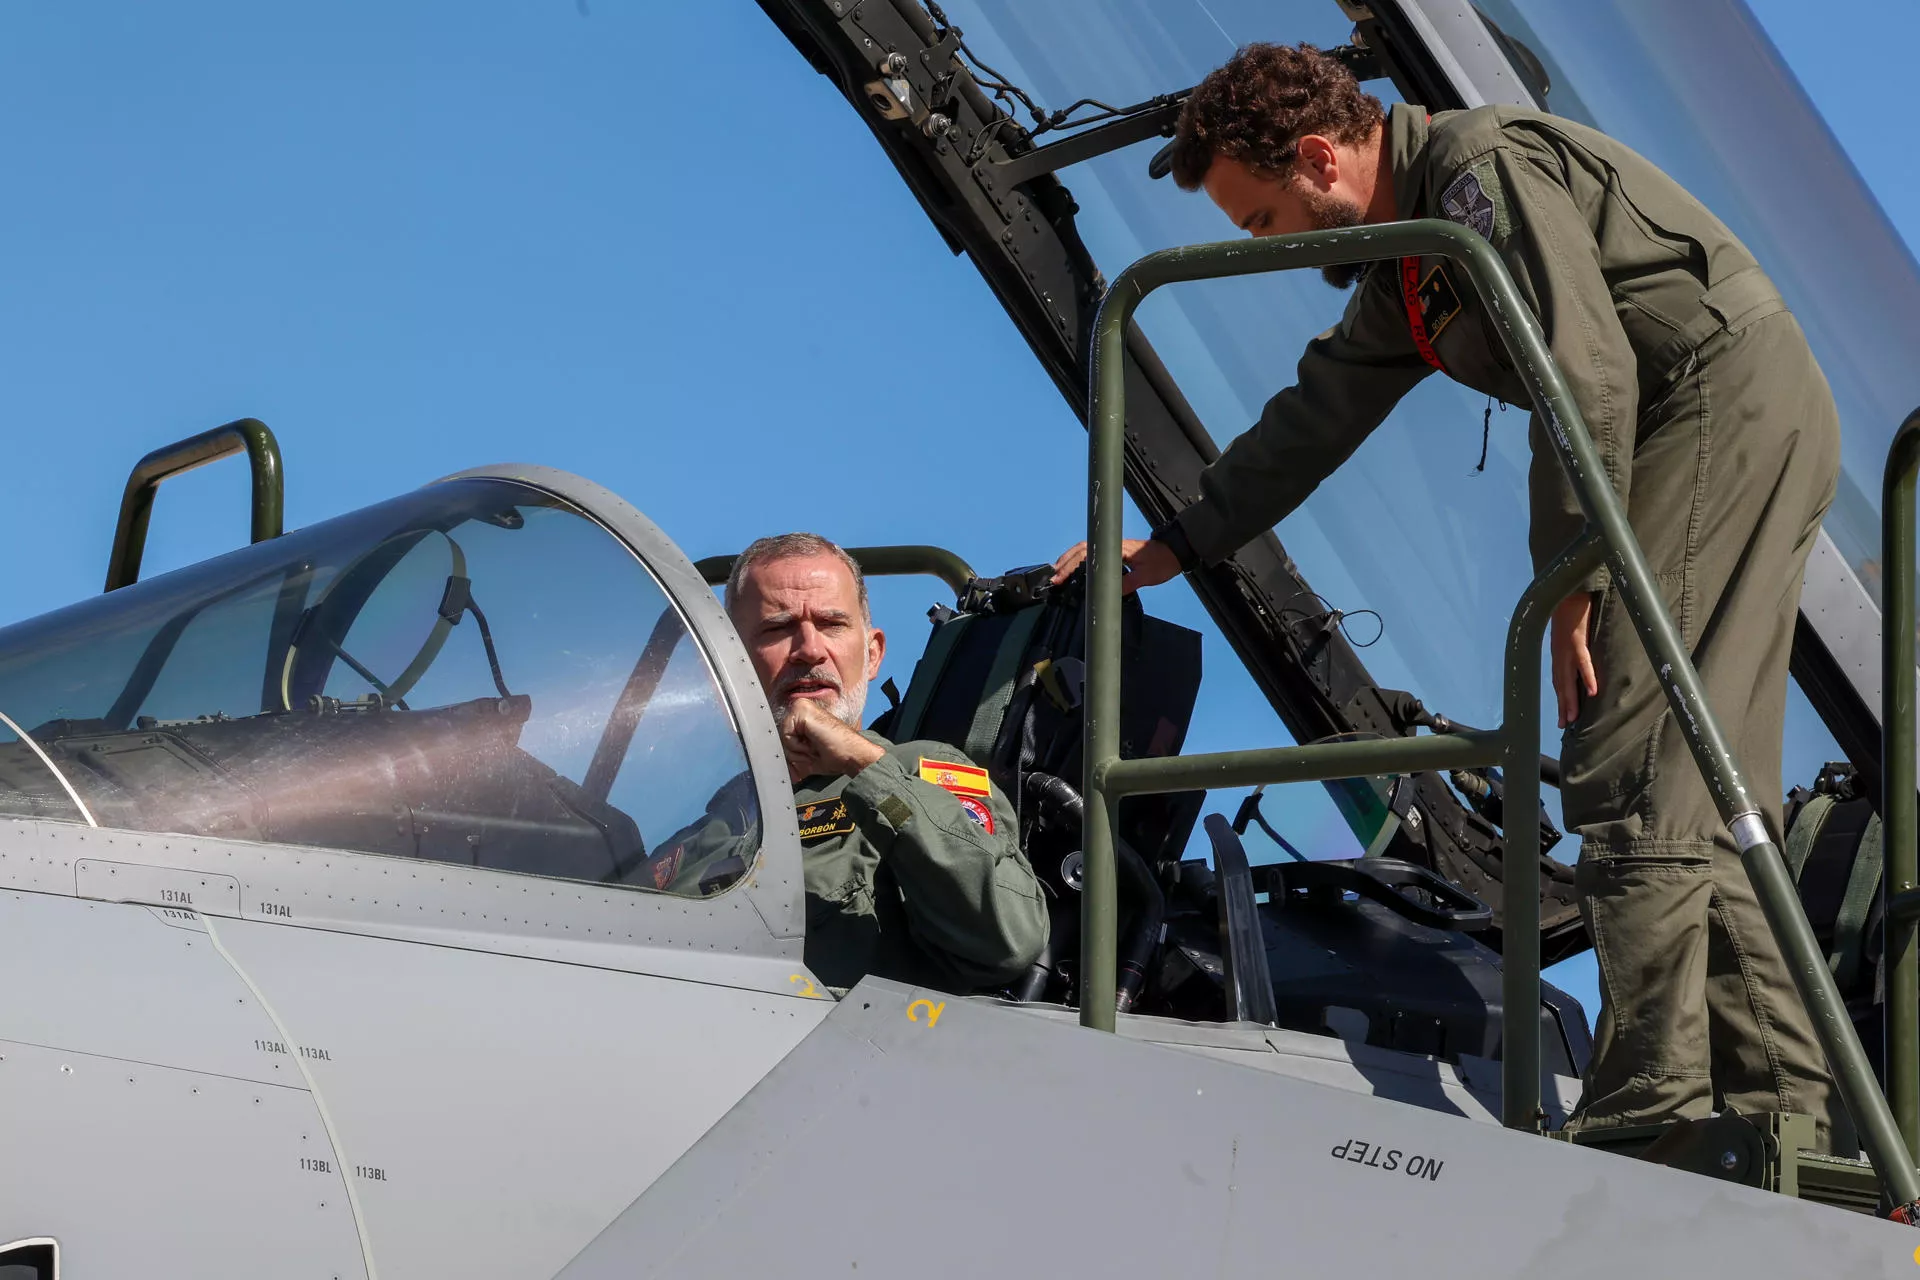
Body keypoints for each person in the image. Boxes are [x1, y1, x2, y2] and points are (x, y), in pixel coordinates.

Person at [1052, 43, 1844, 1147]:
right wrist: (1175, 544)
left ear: (1321, 158)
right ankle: (1779, 1109)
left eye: (1266, 220)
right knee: (1701, 768)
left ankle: (1653, 1109)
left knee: (1633, 744)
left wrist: (1576, 575)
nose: (1266, 250)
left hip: (1710, 401)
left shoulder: (1477, 171)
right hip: (1700, 415)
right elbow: (1316, 414)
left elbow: (1588, 371)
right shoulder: (1410, 268)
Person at [662, 532, 1048, 995]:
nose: (808, 649)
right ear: (728, 663)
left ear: (872, 654)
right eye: (778, 627)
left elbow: (1008, 935)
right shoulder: (702, 830)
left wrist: (863, 763)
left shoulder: (920, 771)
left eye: (832, 624)